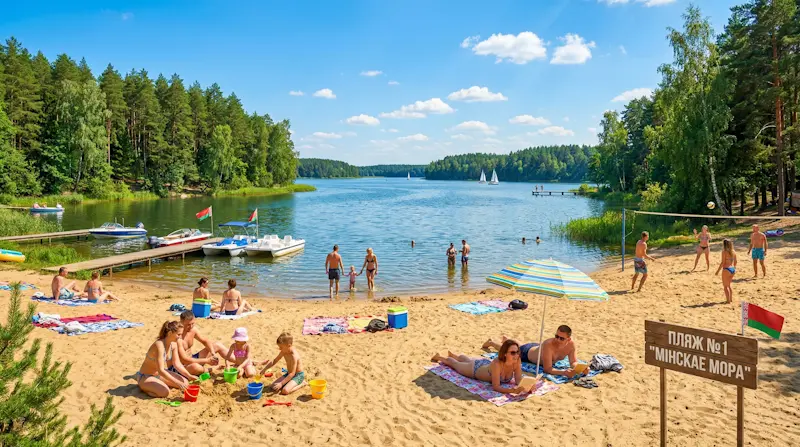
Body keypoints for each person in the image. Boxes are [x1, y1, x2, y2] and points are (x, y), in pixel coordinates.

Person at [431, 339, 525, 394]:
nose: (516, 355)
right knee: (455, 364)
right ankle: (439, 357)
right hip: (475, 370)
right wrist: (512, 391)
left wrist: (528, 385)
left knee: (467, 360)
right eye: (513, 353)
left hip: (485, 365)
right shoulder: (497, 363)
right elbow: (496, 387)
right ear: (504, 354)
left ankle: (454, 355)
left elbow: (518, 380)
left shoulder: (517, 361)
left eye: (517, 352)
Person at [482, 325, 582, 377]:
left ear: (568, 339)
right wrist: (563, 372)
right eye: (556, 336)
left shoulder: (571, 345)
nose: (557, 340)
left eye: (561, 338)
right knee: (509, 350)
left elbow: (573, 362)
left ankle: (507, 339)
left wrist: (581, 368)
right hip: (527, 354)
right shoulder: (549, 344)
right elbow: (547, 369)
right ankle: (492, 342)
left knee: (520, 345)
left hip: (535, 349)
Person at [136, 321, 189, 398]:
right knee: (165, 392)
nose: (180, 337)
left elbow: (177, 364)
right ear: (170, 333)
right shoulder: (159, 345)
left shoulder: (173, 344)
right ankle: (144, 387)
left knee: (185, 383)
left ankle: (158, 384)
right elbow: (161, 370)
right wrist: (177, 382)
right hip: (146, 376)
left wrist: (189, 375)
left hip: (158, 375)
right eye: (179, 334)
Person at [175, 310, 225, 375]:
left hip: (193, 359)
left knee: (217, 345)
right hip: (182, 367)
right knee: (195, 367)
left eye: (193, 324)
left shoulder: (193, 329)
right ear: (181, 322)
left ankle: (238, 362)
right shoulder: (177, 335)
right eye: (188, 325)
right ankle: (211, 369)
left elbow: (205, 341)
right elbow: (185, 359)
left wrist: (213, 353)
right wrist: (206, 360)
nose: (191, 326)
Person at [715, 239, 738, 304]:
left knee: (725, 287)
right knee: (729, 285)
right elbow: (736, 261)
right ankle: (730, 299)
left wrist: (717, 271)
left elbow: (722, 262)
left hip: (726, 269)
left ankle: (728, 301)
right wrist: (734, 268)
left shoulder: (724, 252)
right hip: (732, 269)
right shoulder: (733, 251)